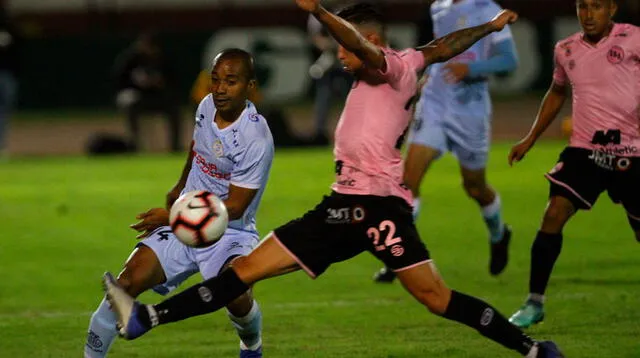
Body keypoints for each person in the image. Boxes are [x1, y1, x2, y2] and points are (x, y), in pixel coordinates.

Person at [103, 2, 562, 356]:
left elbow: (369, 47)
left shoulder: (390, 66)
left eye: (343, 45)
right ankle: (146, 318)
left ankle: (532, 350)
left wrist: (321, 13)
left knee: (437, 299)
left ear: (369, 39)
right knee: (239, 274)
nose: (339, 56)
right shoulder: (405, 64)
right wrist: (491, 26)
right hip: (341, 207)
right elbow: (444, 47)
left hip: (379, 208)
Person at [86, 48, 273, 358]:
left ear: (250, 86)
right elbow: (197, 146)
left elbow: (236, 207)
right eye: (215, 80)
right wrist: (179, 186)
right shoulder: (206, 105)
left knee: (237, 300)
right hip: (184, 218)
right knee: (125, 284)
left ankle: (251, 344)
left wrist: (173, 215)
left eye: (231, 81)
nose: (221, 88)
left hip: (231, 232)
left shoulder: (256, 137)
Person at [507, 0, 640, 329]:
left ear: (612, 8)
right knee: (554, 213)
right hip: (584, 151)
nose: (588, 14)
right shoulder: (565, 49)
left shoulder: (635, 38)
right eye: (583, 6)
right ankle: (534, 302)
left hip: (633, 154)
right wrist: (530, 138)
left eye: (596, 6)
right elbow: (556, 92)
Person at [373, 0, 519, 283]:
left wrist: (472, 70)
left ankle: (499, 234)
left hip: (470, 111)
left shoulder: (487, 9)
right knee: (408, 182)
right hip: (435, 105)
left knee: (475, 187)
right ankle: (400, 256)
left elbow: (509, 60)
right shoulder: (437, 7)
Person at [113, 33, 183, 152]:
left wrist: (159, 84)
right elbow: (119, 83)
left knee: (174, 108)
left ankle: (175, 147)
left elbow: (174, 83)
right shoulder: (130, 59)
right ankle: (135, 145)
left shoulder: (163, 60)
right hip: (138, 98)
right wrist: (136, 85)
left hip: (157, 98)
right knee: (130, 106)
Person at [307, 0, 352, 145]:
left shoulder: (347, 9)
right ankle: (320, 133)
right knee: (324, 98)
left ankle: (355, 130)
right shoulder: (316, 13)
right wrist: (330, 46)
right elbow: (316, 38)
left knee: (352, 97)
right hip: (329, 62)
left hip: (347, 62)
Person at [0, 5, 21, 158]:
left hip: (7, 74)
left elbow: (19, 48)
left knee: (4, 113)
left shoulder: (9, 27)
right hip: (7, 75)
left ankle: (1, 147)